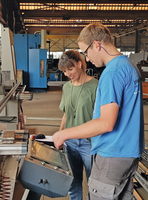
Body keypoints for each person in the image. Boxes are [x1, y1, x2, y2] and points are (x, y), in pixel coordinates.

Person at [52, 22, 145, 200]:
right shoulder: (128, 65)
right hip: (129, 152)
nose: (87, 59)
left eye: (86, 52)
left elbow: (106, 122)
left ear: (96, 44)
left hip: (112, 154)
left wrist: (63, 134)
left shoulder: (112, 72)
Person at [58, 50, 98, 200]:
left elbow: (101, 118)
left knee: (93, 181)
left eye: (70, 69)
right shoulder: (66, 87)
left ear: (80, 64)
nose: (68, 74)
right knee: (73, 182)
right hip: (70, 142)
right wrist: (60, 134)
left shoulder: (95, 86)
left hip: (89, 142)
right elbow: (66, 114)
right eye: (64, 71)